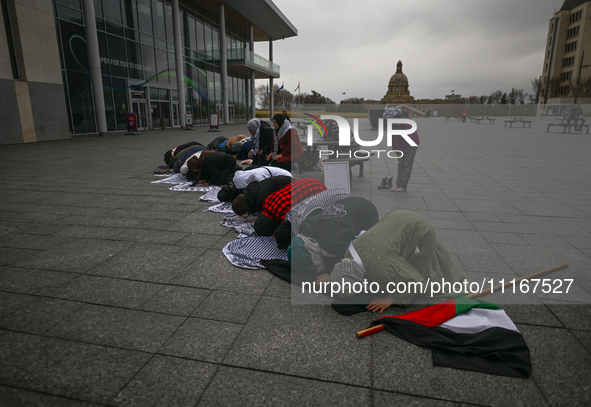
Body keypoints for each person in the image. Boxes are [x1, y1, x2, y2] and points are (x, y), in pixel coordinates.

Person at [326, 210, 465, 313]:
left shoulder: (382, 268)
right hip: (397, 216)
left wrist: (392, 299)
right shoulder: (349, 253)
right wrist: (333, 277)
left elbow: (414, 280)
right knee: (395, 259)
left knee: (420, 271)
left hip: (422, 230)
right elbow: (345, 271)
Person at [253, 178, 326, 236]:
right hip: (308, 181)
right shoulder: (266, 202)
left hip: (317, 189)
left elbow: (292, 227)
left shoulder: (283, 214)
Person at [386, 107, 419, 192]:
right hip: (400, 144)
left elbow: (409, 138)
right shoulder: (393, 122)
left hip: (411, 145)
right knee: (400, 164)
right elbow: (392, 136)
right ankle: (398, 185)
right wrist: (395, 149)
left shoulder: (406, 122)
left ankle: (403, 186)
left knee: (406, 165)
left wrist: (406, 151)